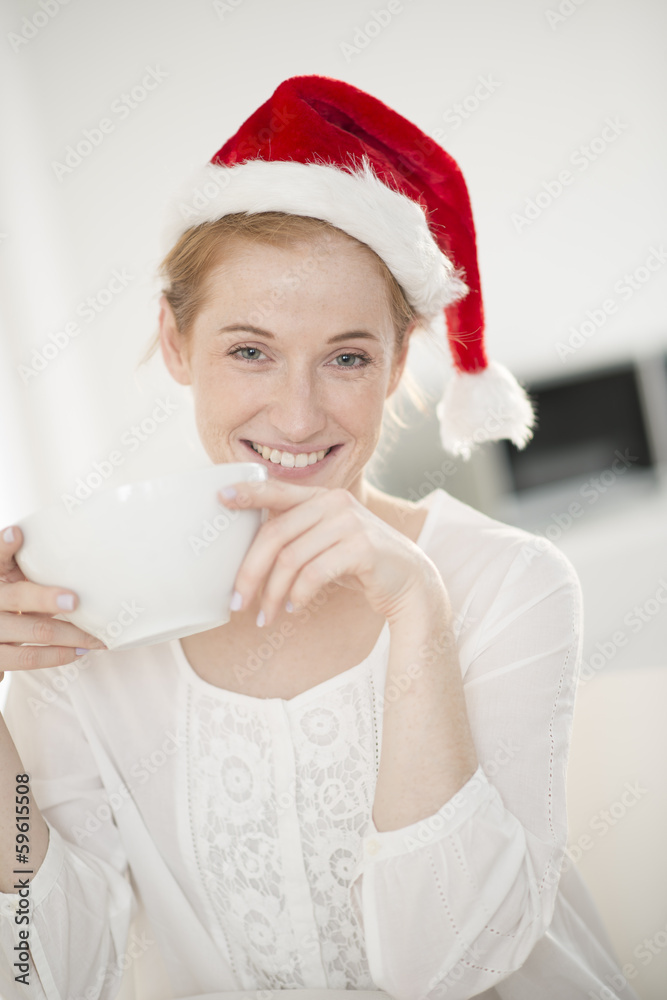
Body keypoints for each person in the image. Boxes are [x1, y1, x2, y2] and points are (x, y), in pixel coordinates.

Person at [0, 75, 639, 1000]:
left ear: (396, 362)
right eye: (249, 350)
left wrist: (416, 608)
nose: (296, 417)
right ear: (177, 345)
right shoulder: (88, 623)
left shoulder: (509, 582)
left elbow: (449, 966)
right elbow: (41, 966)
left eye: (346, 357)